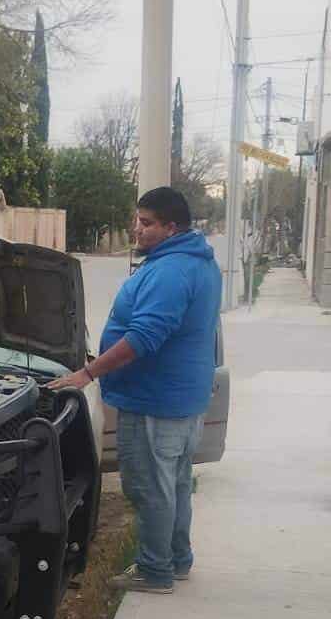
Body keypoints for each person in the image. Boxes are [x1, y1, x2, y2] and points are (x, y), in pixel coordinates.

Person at [49, 187, 221, 593]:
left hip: (155, 401)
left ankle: (154, 570)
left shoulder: (171, 271)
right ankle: (176, 559)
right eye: (137, 220)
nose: (136, 229)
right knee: (175, 484)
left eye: (146, 223)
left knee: (149, 488)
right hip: (182, 398)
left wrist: (87, 373)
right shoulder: (195, 262)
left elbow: (144, 337)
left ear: (170, 227)